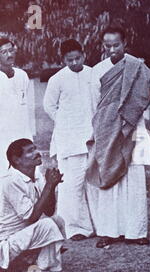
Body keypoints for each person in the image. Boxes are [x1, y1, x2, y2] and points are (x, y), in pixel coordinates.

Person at [88, 26, 150, 248]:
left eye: (116, 45)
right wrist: (105, 125)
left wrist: (135, 108)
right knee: (109, 177)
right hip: (107, 131)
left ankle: (136, 231)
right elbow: (96, 105)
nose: (111, 50)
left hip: (132, 128)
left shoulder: (137, 66)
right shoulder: (97, 70)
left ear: (125, 43)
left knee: (135, 180)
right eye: (107, 46)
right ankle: (108, 231)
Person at [43, 39, 95, 241]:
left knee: (92, 182)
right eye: (69, 60)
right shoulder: (57, 79)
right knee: (70, 185)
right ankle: (74, 228)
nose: (74, 63)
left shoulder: (93, 74)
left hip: (91, 135)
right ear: (63, 59)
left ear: (84, 55)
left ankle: (98, 225)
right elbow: (49, 106)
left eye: (77, 58)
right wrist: (66, 122)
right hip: (68, 138)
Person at [0, 139, 65, 272]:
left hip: (23, 234)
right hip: (7, 240)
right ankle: (25, 260)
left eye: (35, 148)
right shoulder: (10, 180)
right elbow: (32, 217)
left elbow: (49, 211)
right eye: (30, 151)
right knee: (47, 225)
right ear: (16, 160)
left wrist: (51, 186)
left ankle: (38, 261)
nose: (37, 153)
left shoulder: (37, 175)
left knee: (57, 220)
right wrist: (49, 185)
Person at [0, 38, 33, 179]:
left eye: (11, 50)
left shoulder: (22, 75)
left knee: (27, 175)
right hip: (2, 137)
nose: (9, 55)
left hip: (22, 133)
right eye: (3, 52)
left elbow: (26, 107)